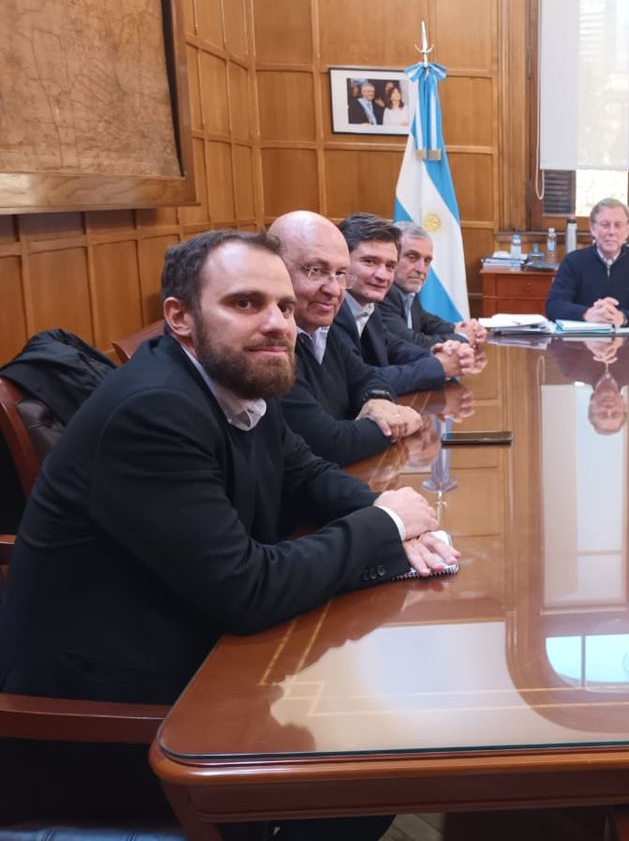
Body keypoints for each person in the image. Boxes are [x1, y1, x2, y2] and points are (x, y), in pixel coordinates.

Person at [0, 230, 455, 836]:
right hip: (114, 727)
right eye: (245, 304)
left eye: (284, 307)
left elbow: (308, 473)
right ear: (179, 318)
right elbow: (247, 590)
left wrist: (393, 515)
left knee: (379, 732)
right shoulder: (154, 411)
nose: (278, 324)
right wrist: (384, 524)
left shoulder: (238, 380)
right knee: (368, 763)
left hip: (202, 654)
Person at [271, 210, 424, 466]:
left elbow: (369, 377)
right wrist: (400, 421)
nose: (333, 290)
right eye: (316, 271)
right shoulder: (271, 346)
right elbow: (330, 444)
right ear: (274, 268)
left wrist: (378, 401)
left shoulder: (321, 328)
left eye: (341, 274)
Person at [332, 212, 474, 391]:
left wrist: (435, 353)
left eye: (390, 266)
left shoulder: (367, 304)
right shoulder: (329, 309)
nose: (382, 275)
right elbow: (358, 380)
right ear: (342, 263)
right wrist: (438, 366)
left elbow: (391, 346)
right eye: (369, 262)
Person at [544, 198, 629, 327]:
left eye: (618, 225)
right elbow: (554, 306)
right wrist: (586, 314)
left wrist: (623, 317)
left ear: (628, 229)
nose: (611, 232)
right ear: (592, 228)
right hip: (581, 342)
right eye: (605, 225)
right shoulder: (573, 262)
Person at [378, 222, 488, 349]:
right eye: (412, 257)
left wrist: (457, 328)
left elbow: (423, 320)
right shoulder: (383, 292)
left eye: (427, 261)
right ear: (391, 258)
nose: (421, 269)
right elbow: (409, 342)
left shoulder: (406, 288)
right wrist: (463, 337)